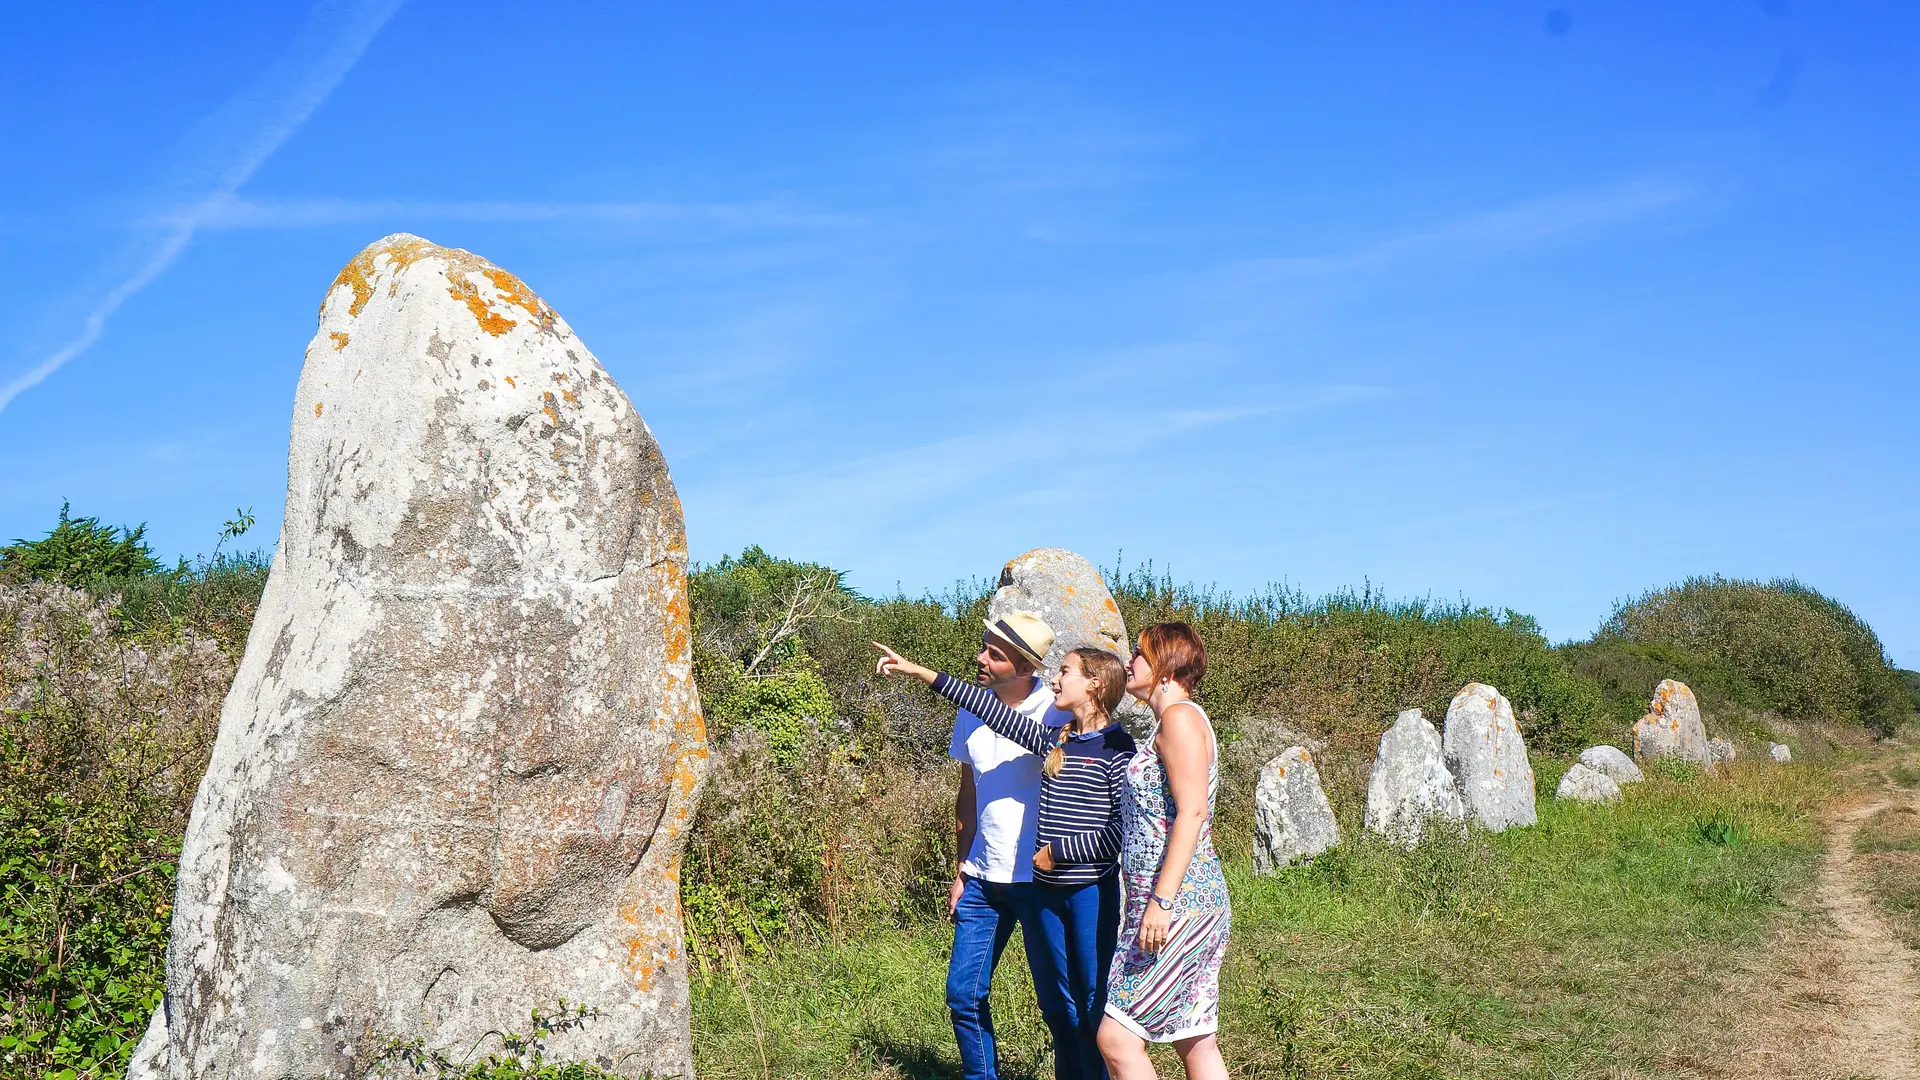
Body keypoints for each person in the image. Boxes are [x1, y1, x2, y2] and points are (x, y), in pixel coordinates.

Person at [875, 636, 1136, 1080]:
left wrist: (1059, 851)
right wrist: (919, 671)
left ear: (1093, 685)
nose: (1056, 678)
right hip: (1049, 889)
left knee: (1089, 999)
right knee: (1061, 1003)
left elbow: (1122, 831)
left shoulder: (1118, 748)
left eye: (1066, 671)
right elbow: (991, 711)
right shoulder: (1056, 740)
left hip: (1089, 889)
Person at [918, 611, 1073, 1080]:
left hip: (1039, 879)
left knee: (1058, 1004)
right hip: (984, 879)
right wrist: (961, 867)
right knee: (963, 995)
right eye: (983, 646)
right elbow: (968, 791)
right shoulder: (971, 709)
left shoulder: (1056, 712)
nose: (980, 658)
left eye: (995, 654)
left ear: (1025, 668)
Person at [1097, 622, 1230, 1080]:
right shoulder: (1172, 720)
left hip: (1179, 905)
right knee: (1194, 1038)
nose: (1129, 662)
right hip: (1175, 902)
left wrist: (1161, 902)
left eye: (1139, 654)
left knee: (1116, 1039)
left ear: (1165, 668)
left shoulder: (1180, 718)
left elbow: (1192, 812)